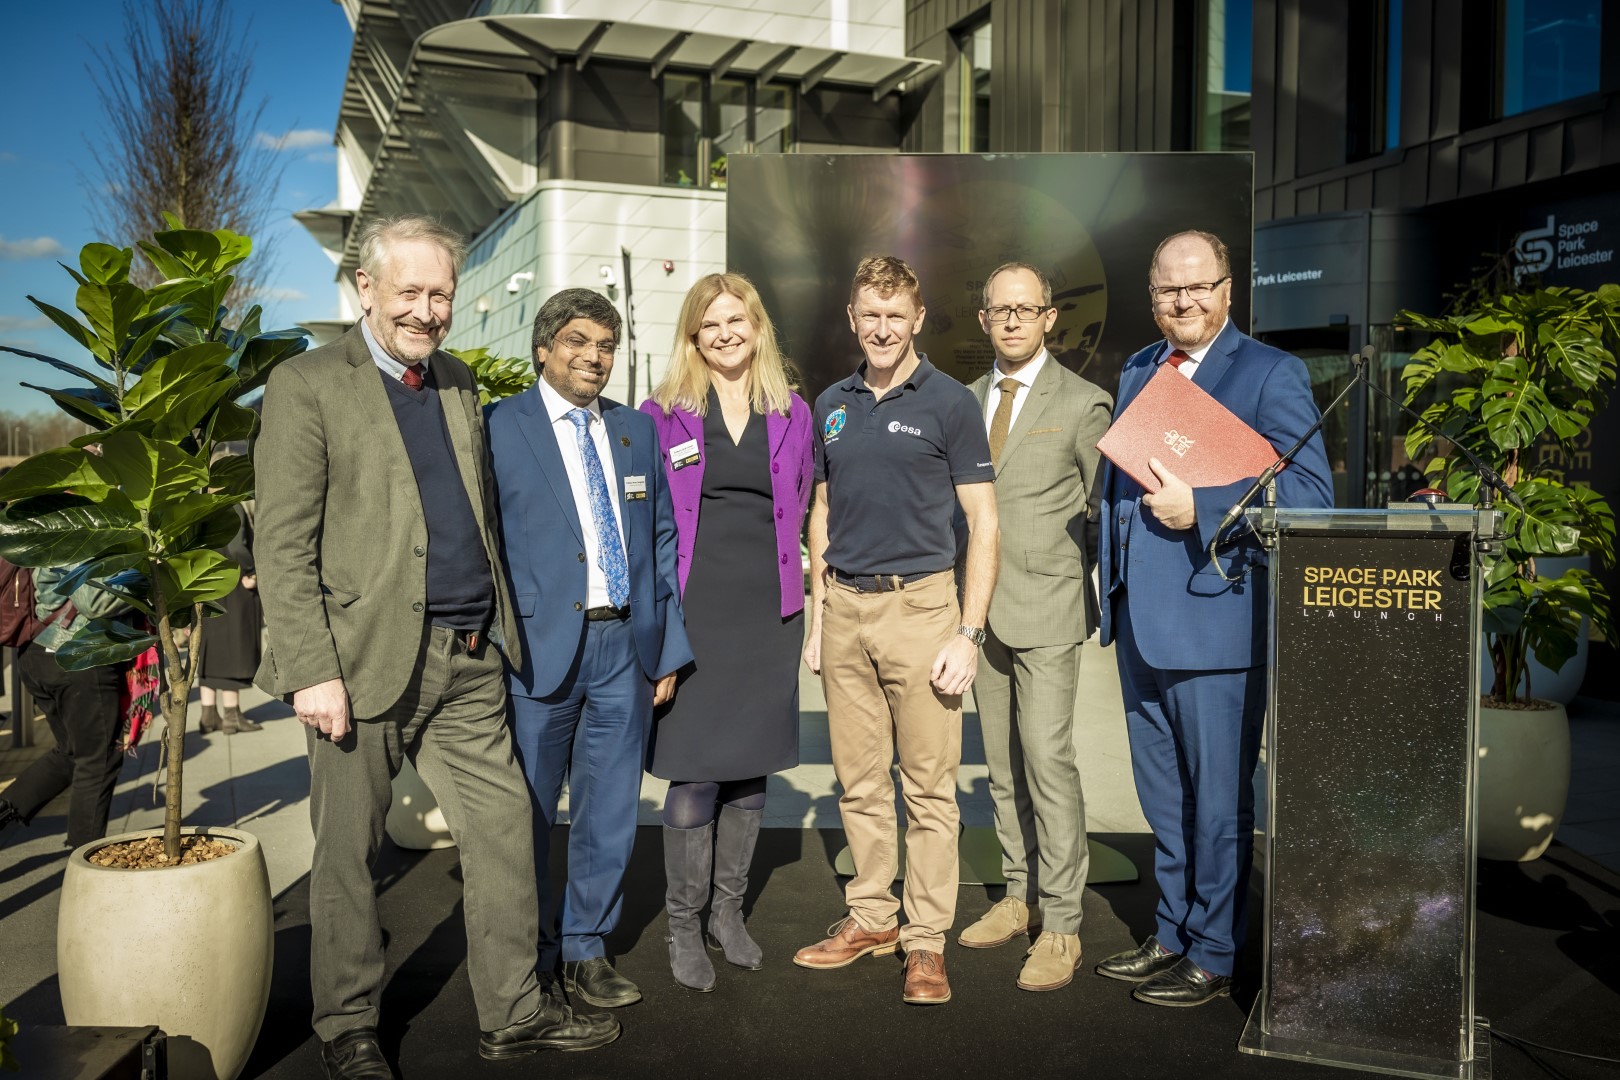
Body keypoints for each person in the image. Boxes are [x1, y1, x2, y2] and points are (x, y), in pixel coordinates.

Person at [255, 215, 618, 1080]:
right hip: (361, 662)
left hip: (467, 659)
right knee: (348, 854)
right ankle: (348, 1027)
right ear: (367, 291)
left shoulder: (455, 382)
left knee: (503, 834)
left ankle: (513, 1013)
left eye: (441, 293)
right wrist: (311, 671)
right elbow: (282, 542)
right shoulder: (306, 385)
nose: (427, 310)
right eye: (410, 291)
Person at [1094, 230, 1333, 1007]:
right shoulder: (1138, 367)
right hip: (1141, 624)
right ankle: (1171, 932)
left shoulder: (1272, 374)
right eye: (1170, 290)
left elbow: (1311, 502)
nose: (1185, 301)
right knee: (1164, 797)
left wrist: (1199, 506)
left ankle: (1218, 949)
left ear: (1230, 290)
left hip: (1218, 623)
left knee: (1221, 800)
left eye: (1200, 287)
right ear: (1153, 296)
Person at [794, 255, 999, 1006]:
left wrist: (968, 633)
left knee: (929, 792)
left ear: (917, 319)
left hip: (922, 611)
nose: (882, 329)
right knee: (857, 785)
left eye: (895, 316)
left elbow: (984, 521)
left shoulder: (949, 403)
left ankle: (924, 942)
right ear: (853, 319)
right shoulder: (831, 405)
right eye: (869, 316)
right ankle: (872, 917)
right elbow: (822, 512)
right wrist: (820, 621)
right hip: (844, 610)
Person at [486, 288, 691, 1012]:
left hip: (624, 649)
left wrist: (665, 648)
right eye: (577, 341)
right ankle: (529, 953)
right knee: (528, 815)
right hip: (540, 653)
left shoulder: (635, 430)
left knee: (607, 813)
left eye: (606, 345)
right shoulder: (498, 427)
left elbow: (661, 541)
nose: (594, 357)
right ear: (543, 348)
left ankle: (585, 950)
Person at [639, 273, 814, 992]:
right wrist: (656, 630)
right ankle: (684, 924)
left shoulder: (794, 412)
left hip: (768, 613)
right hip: (695, 610)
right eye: (709, 323)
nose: (725, 333)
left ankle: (728, 915)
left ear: (758, 326)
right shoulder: (660, 414)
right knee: (695, 768)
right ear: (692, 335)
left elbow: (808, 508)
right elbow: (646, 526)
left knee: (749, 767)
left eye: (736, 319)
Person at [958, 262, 1113, 992]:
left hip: (1049, 611)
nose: (1013, 320)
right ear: (984, 318)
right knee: (1001, 766)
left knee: (1048, 764)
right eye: (1001, 310)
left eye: (1028, 309)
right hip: (979, 614)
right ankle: (1016, 897)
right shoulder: (964, 401)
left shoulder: (1084, 404)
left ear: (1050, 317)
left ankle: (1062, 925)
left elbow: (1101, 513)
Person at [0, 568, 133, 850]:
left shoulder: (53, 530)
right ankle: (84, 858)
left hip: (45, 651)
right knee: (97, 761)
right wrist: (147, 576)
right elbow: (94, 601)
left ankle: (7, 808)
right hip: (76, 655)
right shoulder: (78, 528)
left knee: (71, 752)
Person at [196, 500, 264, 735]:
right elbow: (236, 548)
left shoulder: (202, 505)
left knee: (211, 650)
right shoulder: (232, 506)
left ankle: (208, 715)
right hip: (233, 585)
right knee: (233, 648)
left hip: (207, 583)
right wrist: (250, 570)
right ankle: (232, 715)